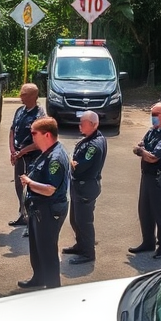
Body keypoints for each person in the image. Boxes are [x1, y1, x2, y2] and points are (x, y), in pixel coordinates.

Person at [18, 117, 70, 290]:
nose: (31, 136)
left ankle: (53, 288)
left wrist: (29, 182)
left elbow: (49, 189)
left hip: (49, 210)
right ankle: (39, 278)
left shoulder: (55, 158)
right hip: (38, 209)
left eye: (34, 133)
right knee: (37, 247)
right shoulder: (47, 152)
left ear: (46, 135)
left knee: (47, 250)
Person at [130, 103, 161, 260]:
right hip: (147, 176)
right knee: (145, 211)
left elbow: (153, 157)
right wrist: (142, 149)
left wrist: (140, 151)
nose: (153, 117)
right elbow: (142, 143)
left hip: (159, 178)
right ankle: (148, 242)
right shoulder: (153, 131)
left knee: (160, 213)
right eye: (152, 114)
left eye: (156, 114)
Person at [63, 110, 106, 265]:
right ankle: (80, 245)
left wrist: (71, 162)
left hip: (85, 188)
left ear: (93, 125)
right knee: (75, 220)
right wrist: (73, 162)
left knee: (84, 222)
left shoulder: (94, 145)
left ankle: (88, 253)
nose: (79, 125)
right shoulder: (90, 138)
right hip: (79, 186)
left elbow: (79, 167)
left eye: (83, 123)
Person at [8, 83, 46, 228]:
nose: (20, 96)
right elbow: (13, 130)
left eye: (23, 94)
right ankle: (23, 215)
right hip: (19, 156)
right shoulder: (19, 111)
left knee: (31, 188)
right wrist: (13, 151)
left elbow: (39, 142)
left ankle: (32, 221)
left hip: (32, 158)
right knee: (19, 186)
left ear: (32, 96)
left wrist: (22, 152)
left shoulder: (40, 116)